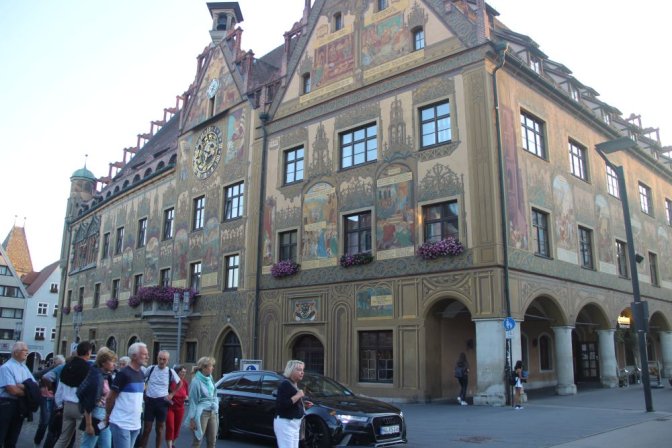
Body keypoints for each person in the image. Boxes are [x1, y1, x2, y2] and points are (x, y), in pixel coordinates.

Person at [105, 342, 149, 447]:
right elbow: (110, 398)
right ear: (134, 356)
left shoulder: (141, 374)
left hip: (135, 424)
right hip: (121, 423)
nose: (147, 357)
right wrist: (108, 415)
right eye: (144, 354)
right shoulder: (123, 374)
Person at [54, 340, 93, 448]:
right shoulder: (88, 368)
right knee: (80, 440)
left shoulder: (66, 366)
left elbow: (59, 389)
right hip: (80, 406)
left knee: (63, 438)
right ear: (88, 352)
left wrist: (59, 405)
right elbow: (89, 391)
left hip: (67, 406)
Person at [138, 351, 180, 448]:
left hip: (162, 402)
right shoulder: (151, 368)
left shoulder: (170, 371)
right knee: (147, 428)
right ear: (157, 358)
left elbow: (179, 383)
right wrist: (143, 392)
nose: (161, 361)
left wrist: (172, 394)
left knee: (160, 429)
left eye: (164, 359)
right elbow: (141, 379)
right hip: (150, 401)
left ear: (168, 360)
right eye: (160, 359)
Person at [0, 341, 37, 447]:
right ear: (16, 352)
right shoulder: (6, 367)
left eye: (27, 350)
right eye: (24, 350)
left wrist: (24, 387)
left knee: (12, 439)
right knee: (2, 435)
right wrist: (28, 390)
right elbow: (12, 390)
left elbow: (34, 386)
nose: (27, 352)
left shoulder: (24, 367)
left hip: (20, 405)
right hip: (6, 404)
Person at [79, 347, 117, 448]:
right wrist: (89, 424)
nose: (114, 364)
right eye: (112, 361)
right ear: (103, 363)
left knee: (106, 445)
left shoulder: (106, 376)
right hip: (95, 416)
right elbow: (88, 403)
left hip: (104, 417)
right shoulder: (97, 377)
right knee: (87, 445)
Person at [33, 354, 65, 447]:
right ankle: (37, 441)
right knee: (44, 422)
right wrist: (42, 387)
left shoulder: (63, 370)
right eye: (58, 364)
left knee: (52, 423)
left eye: (61, 364)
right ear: (54, 363)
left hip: (55, 399)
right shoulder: (49, 370)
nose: (60, 366)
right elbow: (36, 376)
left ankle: (48, 443)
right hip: (46, 397)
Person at [186, 357, 218, 448]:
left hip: (212, 411)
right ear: (204, 368)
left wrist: (215, 405)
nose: (213, 368)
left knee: (212, 441)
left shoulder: (210, 378)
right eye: (211, 366)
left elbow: (214, 393)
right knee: (198, 441)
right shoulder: (196, 382)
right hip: (201, 413)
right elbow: (193, 401)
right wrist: (192, 419)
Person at [274, 360, 305, 448]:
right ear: (291, 371)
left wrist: (303, 403)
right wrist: (298, 396)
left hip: (295, 423)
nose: (302, 372)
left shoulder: (294, 384)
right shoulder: (285, 384)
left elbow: (292, 402)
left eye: (303, 370)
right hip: (286, 422)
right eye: (299, 370)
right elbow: (282, 405)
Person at [165, 365, 188, 448]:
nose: (183, 374)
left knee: (177, 428)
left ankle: (173, 444)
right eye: (181, 372)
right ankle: (169, 446)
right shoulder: (171, 382)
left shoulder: (185, 383)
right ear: (177, 372)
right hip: (170, 407)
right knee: (170, 427)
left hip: (180, 408)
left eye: (185, 372)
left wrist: (186, 398)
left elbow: (186, 395)